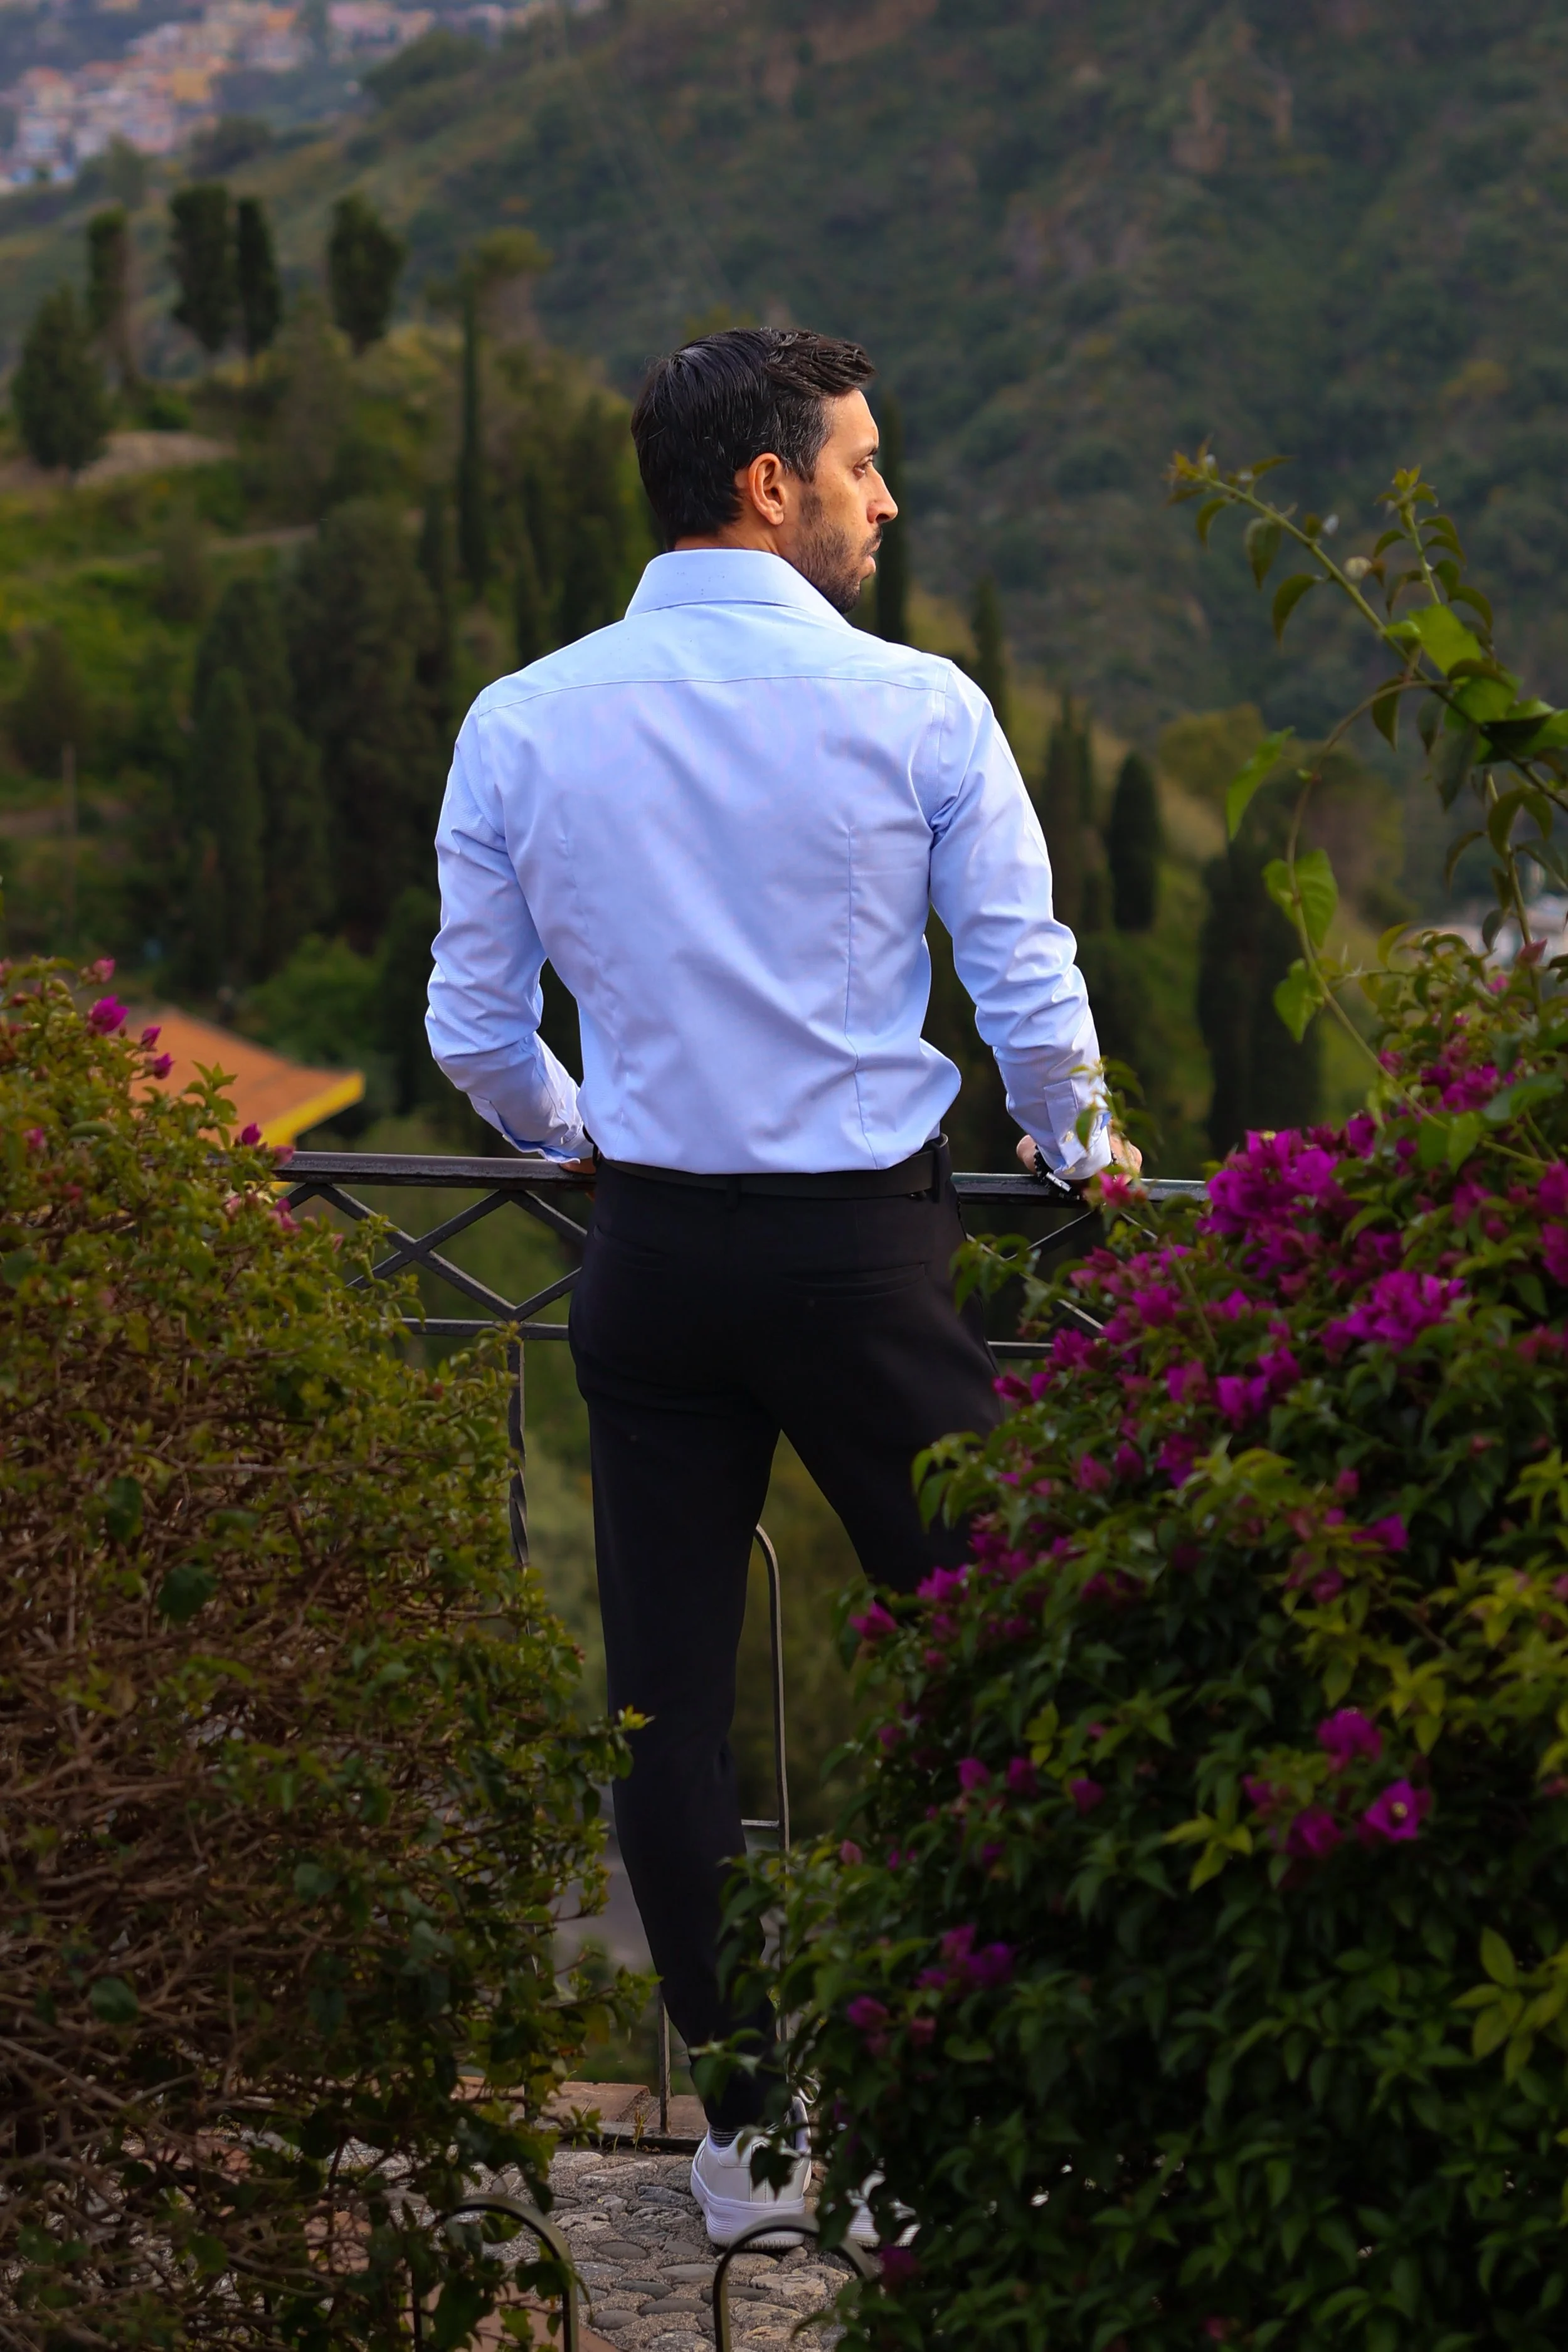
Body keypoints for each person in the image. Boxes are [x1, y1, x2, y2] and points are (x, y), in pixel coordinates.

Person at [426, 327, 1137, 2246]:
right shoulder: (917, 709)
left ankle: (746, 2136)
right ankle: (999, 2095)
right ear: (770, 483)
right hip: (862, 1261)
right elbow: (1021, 976)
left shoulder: (523, 715)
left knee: (661, 1707)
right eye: (863, 465)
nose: (885, 499)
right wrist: (1079, 1146)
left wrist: (581, 1133)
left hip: (648, 1257)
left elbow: (474, 1028)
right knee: (1015, 1654)